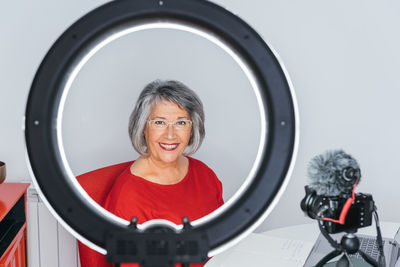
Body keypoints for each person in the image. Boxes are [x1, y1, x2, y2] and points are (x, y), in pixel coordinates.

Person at [78, 80, 224, 267]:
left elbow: (224, 240)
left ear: (192, 128)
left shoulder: (204, 174)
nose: (170, 134)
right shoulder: (129, 198)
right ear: (143, 129)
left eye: (180, 122)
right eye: (159, 122)